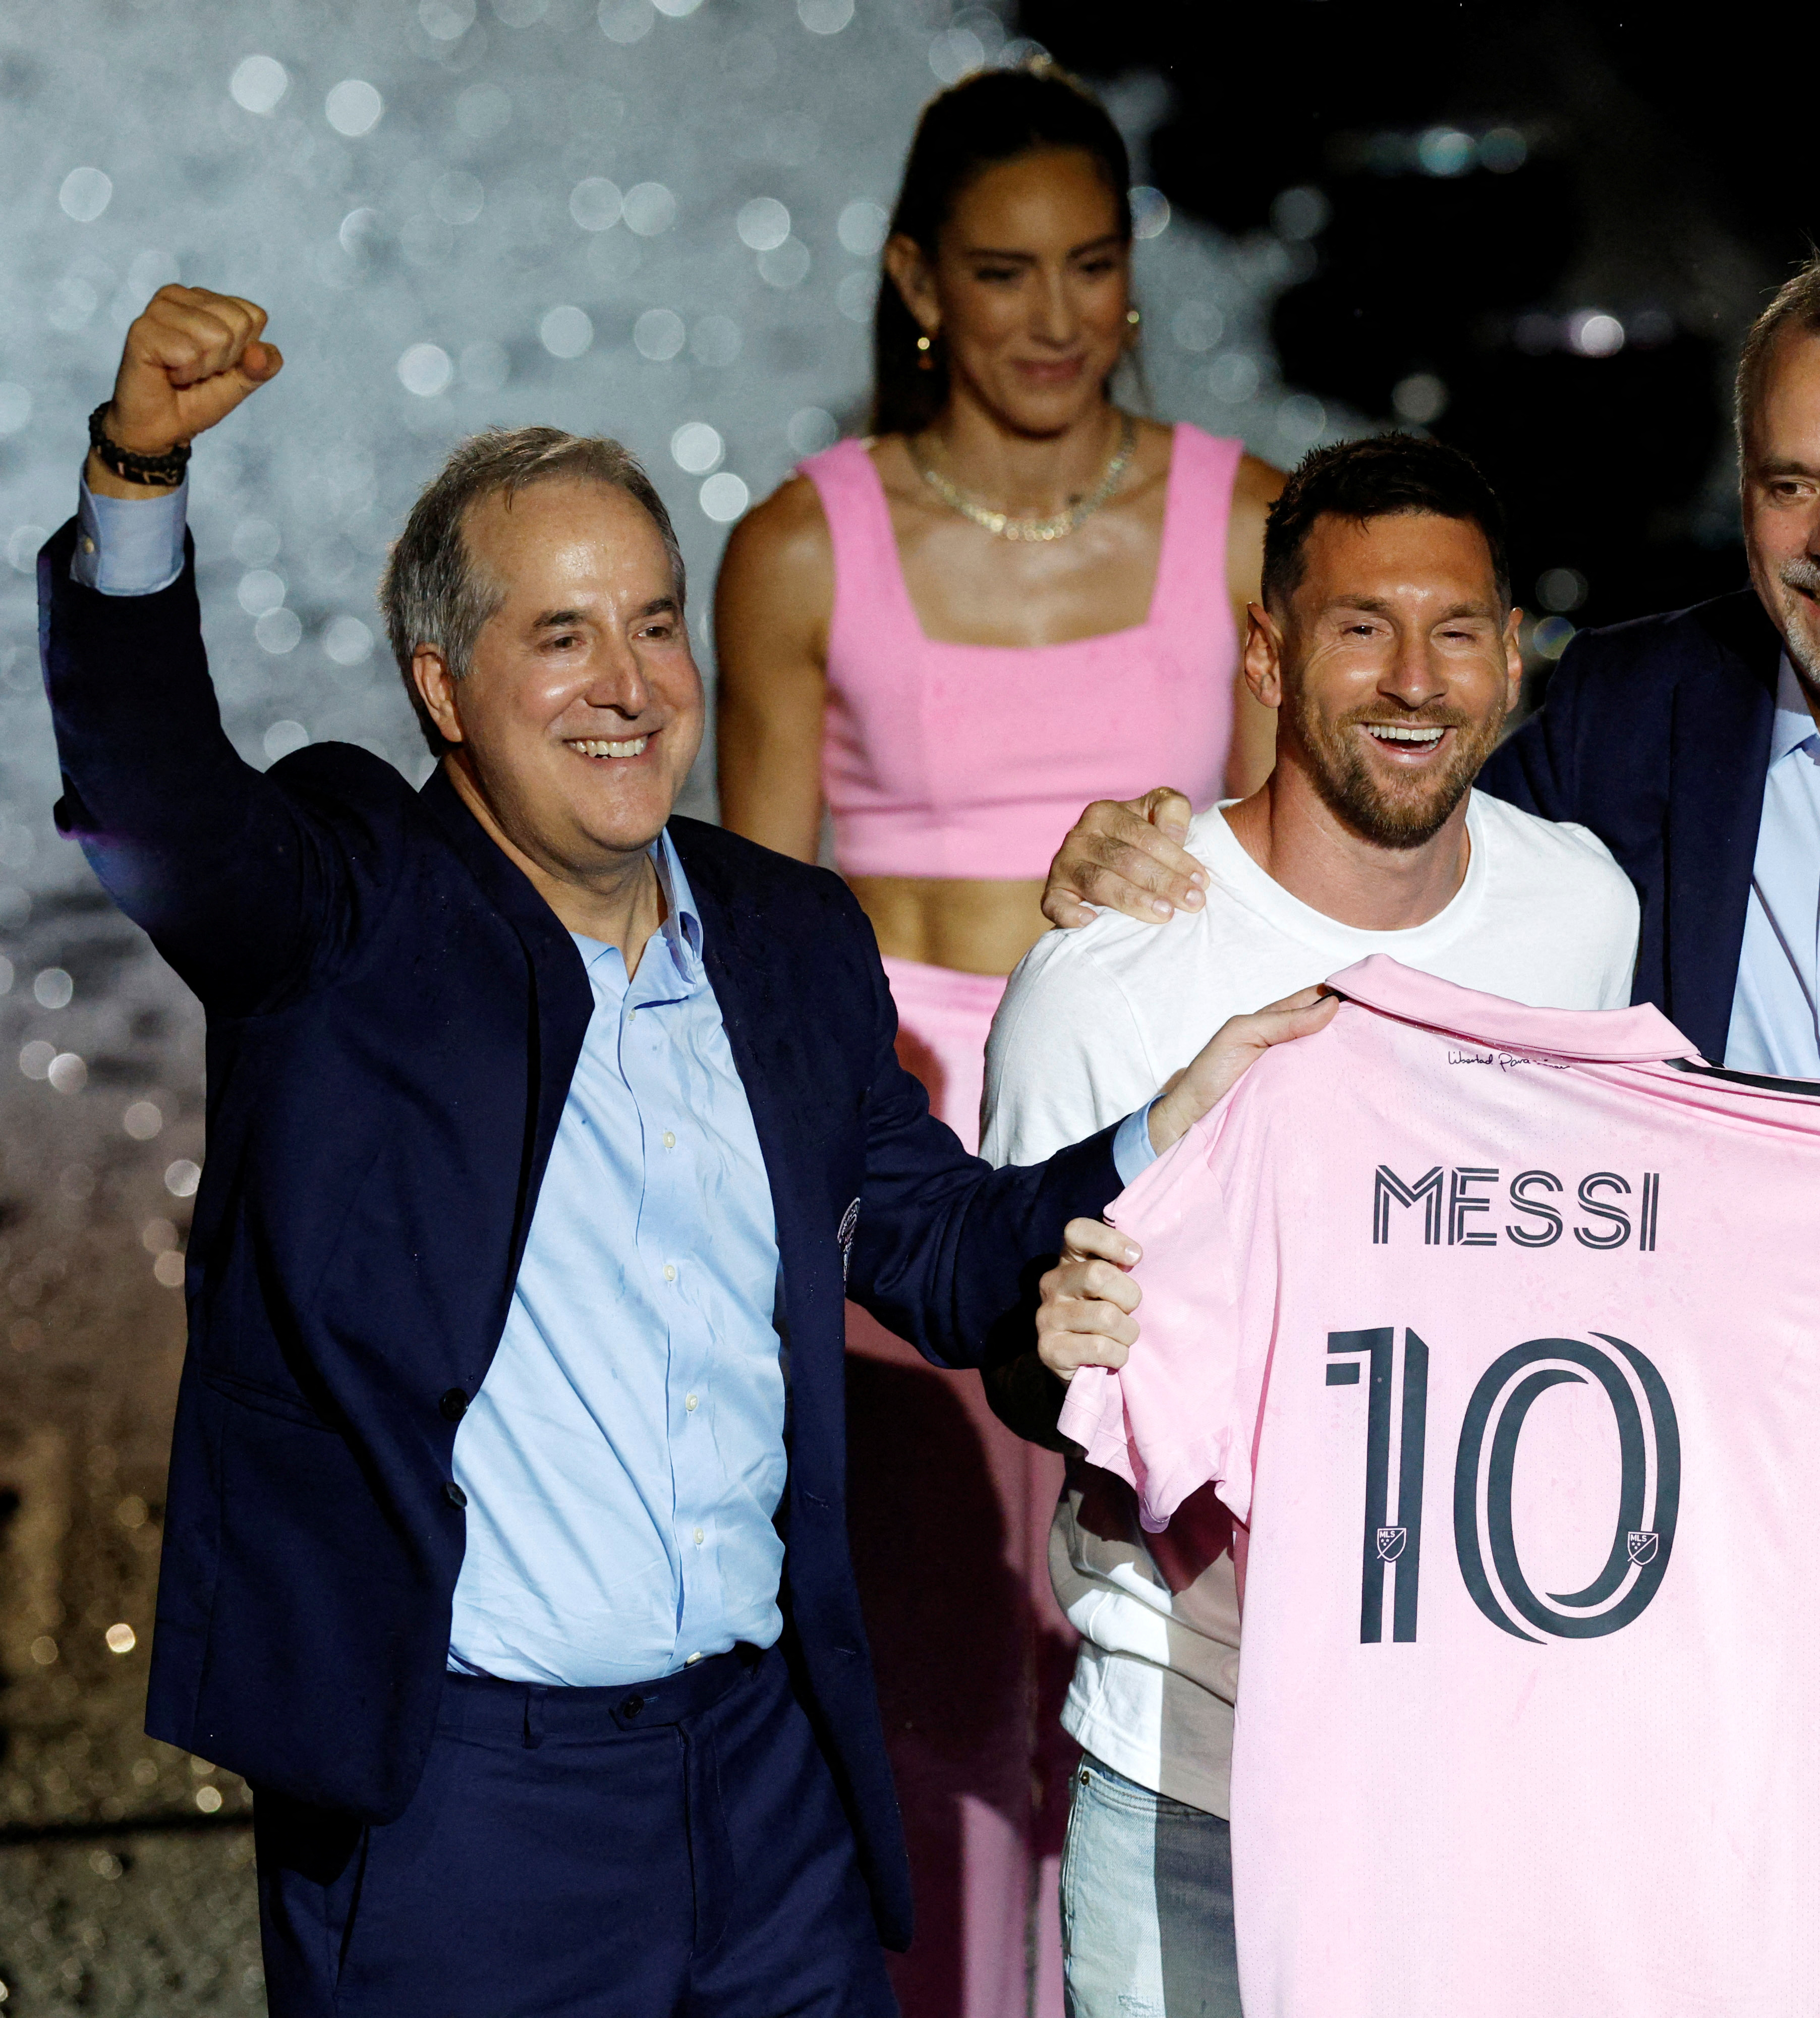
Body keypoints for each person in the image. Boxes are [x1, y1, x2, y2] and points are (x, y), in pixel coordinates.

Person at [40, 285, 1322, 2017]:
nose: (629, 687)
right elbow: (157, 804)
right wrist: (134, 484)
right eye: (561, 638)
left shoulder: (788, 938)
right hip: (461, 1811)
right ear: (443, 686)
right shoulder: (355, 910)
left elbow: (932, 1241)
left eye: (655, 624)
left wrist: (1162, 1130)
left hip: (766, 1790)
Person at [1043, 253, 1820, 2016]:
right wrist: (1171, 855)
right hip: (1701, 1670)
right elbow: (1391, 860)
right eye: (1792, 484)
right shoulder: (1622, 724)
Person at [713, 59, 1282, 2010]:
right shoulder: (803, 547)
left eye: (1093, 267)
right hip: (909, 1177)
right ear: (916, 281)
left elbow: (1298, 885)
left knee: (1161, 1669)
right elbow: (753, 934)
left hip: (1168, 1156)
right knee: (941, 1689)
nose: (1056, 318)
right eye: (1004, 271)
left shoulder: (1247, 524)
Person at [982, 433, 1639, 2015]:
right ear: (1270, 654)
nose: (1414, 678)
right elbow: (1022, 1354)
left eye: (1456, 629)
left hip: (1505, 1786)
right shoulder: (1110, 981)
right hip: (1198, 1789)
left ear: (1511, 658)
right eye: (1361, 627)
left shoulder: (1586, 911)